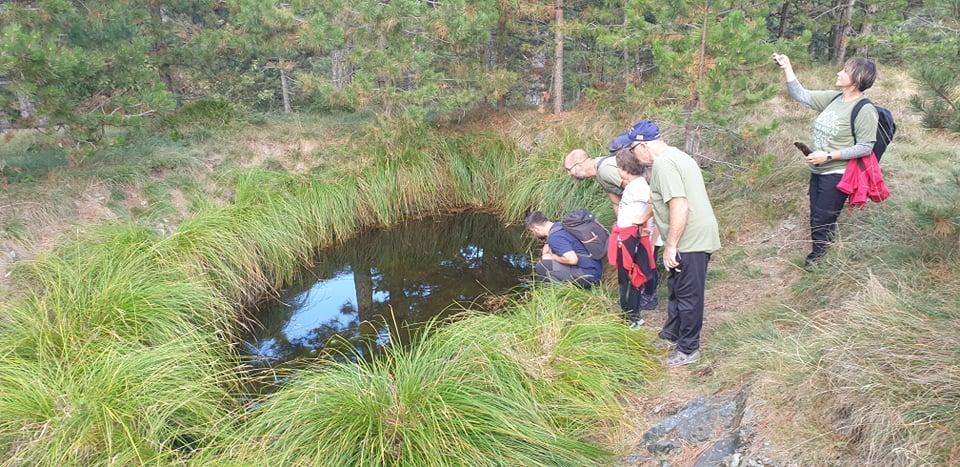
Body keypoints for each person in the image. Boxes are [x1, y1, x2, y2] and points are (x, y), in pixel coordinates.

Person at [626, 120, 721, 367]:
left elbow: (679, 204)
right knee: (676, 288)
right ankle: (671, 334)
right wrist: (642, 219)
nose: (634, 156)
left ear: (643, 145)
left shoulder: (665, 165)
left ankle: (688, 350)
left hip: (691, 239)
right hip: (688, 236)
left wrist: (670, 246)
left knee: (689, 295)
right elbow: (658, 198)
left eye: (633, 150)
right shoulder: (675, 156)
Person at [772, 53, 879, 268]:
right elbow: (799, 94)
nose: (839, 73)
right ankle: (826, 252)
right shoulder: (834, 99)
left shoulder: (865, 109)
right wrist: (787, 66)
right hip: (818, 171)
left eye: (845, 71)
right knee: (818, 215)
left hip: (838, 173)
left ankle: (819, 260)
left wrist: (828, 156)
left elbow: (866, 146)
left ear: (857, 79)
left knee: (822, 219)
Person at [608, 147, 658, 328]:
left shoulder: (640, 187)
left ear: (624, 168)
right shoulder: (634, 186)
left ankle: (632, 317)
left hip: (631, 239)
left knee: (631, 277)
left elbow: (656, 203)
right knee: (625, 277)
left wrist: (642, 222)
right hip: (625, 237)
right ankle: (628, 314)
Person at [525, 211, 603, 287]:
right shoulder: (560, 225)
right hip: (595, 268)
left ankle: (561, 291)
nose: (534, 235)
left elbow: (572, 260)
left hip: (589, 277)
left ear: (536, 228)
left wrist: (553, 257)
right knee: (546, 258)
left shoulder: (555, 237)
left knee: (541, 266)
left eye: (532, 231)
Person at [564, 148, 624, 214]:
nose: (569, 174)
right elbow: (616, 203)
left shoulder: (604, 169)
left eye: (569, 170)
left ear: (578, 165)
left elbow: (633, 186)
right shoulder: (599, 175)